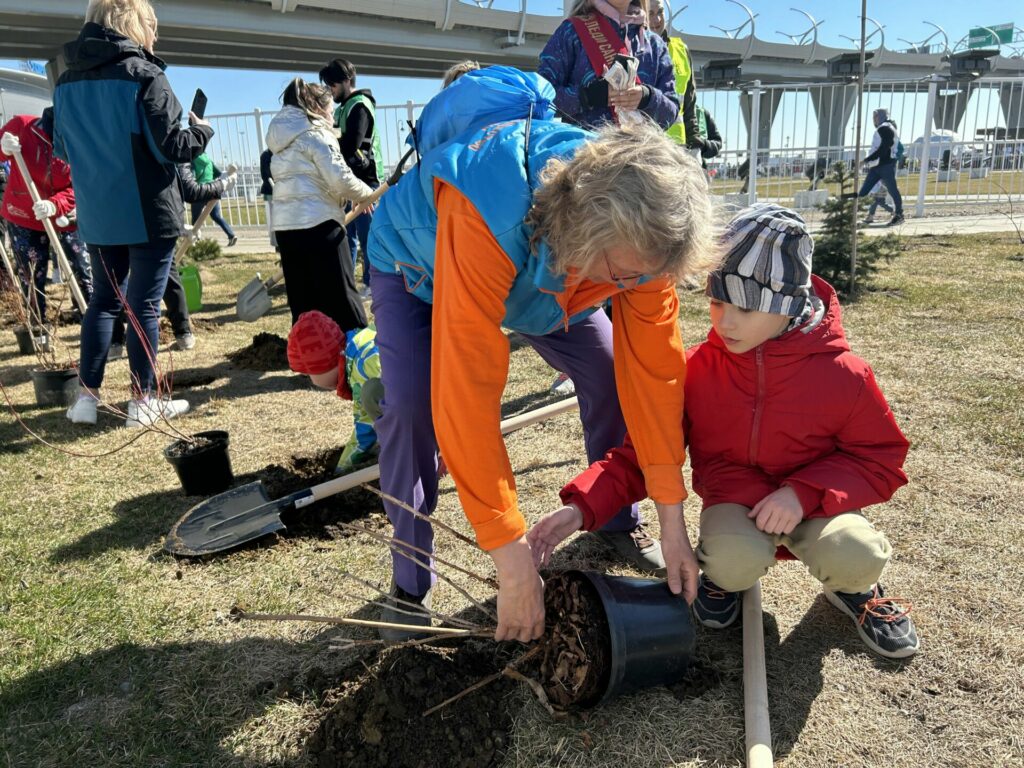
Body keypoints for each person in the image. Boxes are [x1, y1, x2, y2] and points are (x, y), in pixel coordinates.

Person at [366, 67, 717, 643]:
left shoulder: (641, 235)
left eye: (643, 278)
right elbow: (468, 393)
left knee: (606, 369)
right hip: (419, 267)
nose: (637, 287)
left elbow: (655, 375)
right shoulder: (488, 202)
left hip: (552, 278)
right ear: (588, 230)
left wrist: (671, 515)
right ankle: (410, 582)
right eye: (626, 276)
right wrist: (511, 558)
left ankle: (614, 514)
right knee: (411, 407)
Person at [530, 204, 919, 660]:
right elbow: (642, 457)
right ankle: (723, 578)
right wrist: (580, 508)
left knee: (855, 552)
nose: (725, 322)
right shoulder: (696, 370)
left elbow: (879, 458)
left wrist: (802, 493)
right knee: (733, 561)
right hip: (736, 503)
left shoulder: (844, 375)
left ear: (788, 304)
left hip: (815, 506)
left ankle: (857, 589)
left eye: (746, 308)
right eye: (718, 301)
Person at [54, 0, 213, 428]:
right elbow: (173, 149)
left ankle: (85, 400)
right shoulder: (146, 75)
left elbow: (63, 150)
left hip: (99, 213)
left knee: (102, 303)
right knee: (143, 305)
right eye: (152, 25)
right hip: (148, 210)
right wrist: (202, 131)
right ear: (134, 23)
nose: (155, 35)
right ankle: (143, 401)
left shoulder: (65, 82)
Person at [267, 78, 374, 331]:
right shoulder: (316, 133)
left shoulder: (280, 139)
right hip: (319, 226)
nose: (332, 116)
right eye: (328, 110)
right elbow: (340, 178)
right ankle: (356, 355)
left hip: (286, 228)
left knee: (304, 302)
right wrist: (367, 194)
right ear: (315, 107)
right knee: (343, 296)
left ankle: (312, 363)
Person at [108, 161, 237, 358]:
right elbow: (189, 189)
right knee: (129, 280)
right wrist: (221, 185)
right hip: (148, 222)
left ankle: (180, 331)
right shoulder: (170, 146)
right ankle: (119, 340)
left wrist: (179, 225)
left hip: (131, 218)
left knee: (131, 279)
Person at [1, 109, 94, 324]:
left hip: (64, 213)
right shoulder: (22, 126)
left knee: (81, 266)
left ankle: (91, 321)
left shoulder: (79, 143)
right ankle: (39, 328)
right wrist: (3, 148)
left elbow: (80, 186)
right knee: (32, 274)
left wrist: (55, 205)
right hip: (24, 213)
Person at [538, 0, 679, 131]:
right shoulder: (571, 32)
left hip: (641, 155)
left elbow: (671, 114)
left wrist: (647, 97)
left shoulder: (655, 45)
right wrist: (588, 96)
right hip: (584, 153)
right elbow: (538, 99)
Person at [287, 310, 384, 475]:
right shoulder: (361, 344)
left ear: (323, 364)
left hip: (429, 398)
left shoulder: (361, 369)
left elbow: (365, 429)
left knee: (373, 397)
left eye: (307, 373)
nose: (311, 380)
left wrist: (341, 470)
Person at [319, 59, 383, 295]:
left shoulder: (359, 105)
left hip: (366, 182)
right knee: (347, 238)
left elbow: (351, 145)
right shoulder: (343, 108)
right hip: (347, 180)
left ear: (347, 80)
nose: (330, 90)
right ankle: (346, 284)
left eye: (332, 84)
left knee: (368, 238)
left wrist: (329, 135)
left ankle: (371, 283)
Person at [646, 0, 700, 147]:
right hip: (645, 145)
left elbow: (690, 102)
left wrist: (694, 141)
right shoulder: (632, 48)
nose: (656, 20)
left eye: (660, 12)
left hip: (676, 146)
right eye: (650, 13)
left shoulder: (681, 49)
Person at [857, 108, 904, 226]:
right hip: (877, 166)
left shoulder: (885, 127)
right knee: (863, 192)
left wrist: (866, 160)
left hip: (886, 166)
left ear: (882, 116)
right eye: (873, 117)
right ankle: (852, 216)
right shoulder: (883, 128)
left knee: (892, 190)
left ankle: (899, 215)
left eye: (876, 117)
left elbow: (884, 148)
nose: (874, 120)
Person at [190, 151, 237, 246]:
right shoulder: (209, 160)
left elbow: (192, 176)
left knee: (196, 217)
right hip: (212, 189)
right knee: (216, 216)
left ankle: (195, 240)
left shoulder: (192, 160)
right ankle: (231, 235)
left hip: (200, 191)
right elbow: (218, 173)